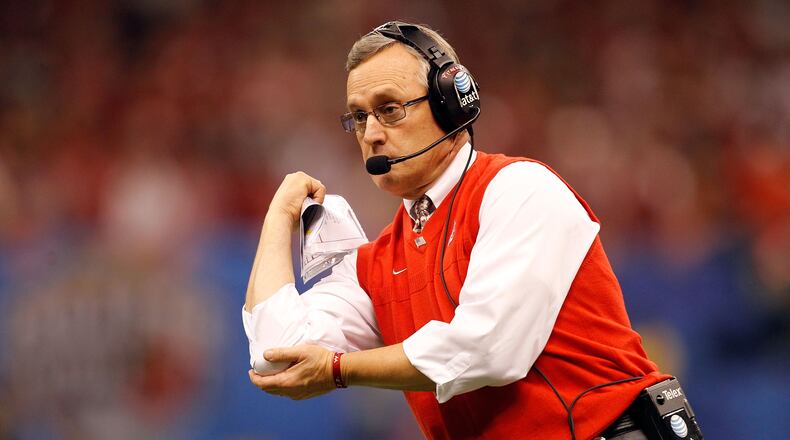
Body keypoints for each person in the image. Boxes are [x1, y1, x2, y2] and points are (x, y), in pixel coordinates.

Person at [243, 21, 670, 439]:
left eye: (389, 109)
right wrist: (278, 219)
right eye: (359, 117)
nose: (371, 134)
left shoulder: (520, 189)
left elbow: (488, 350)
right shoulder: (375, 263)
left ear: (452, 103)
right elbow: (276, 359)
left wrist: (339, 370)